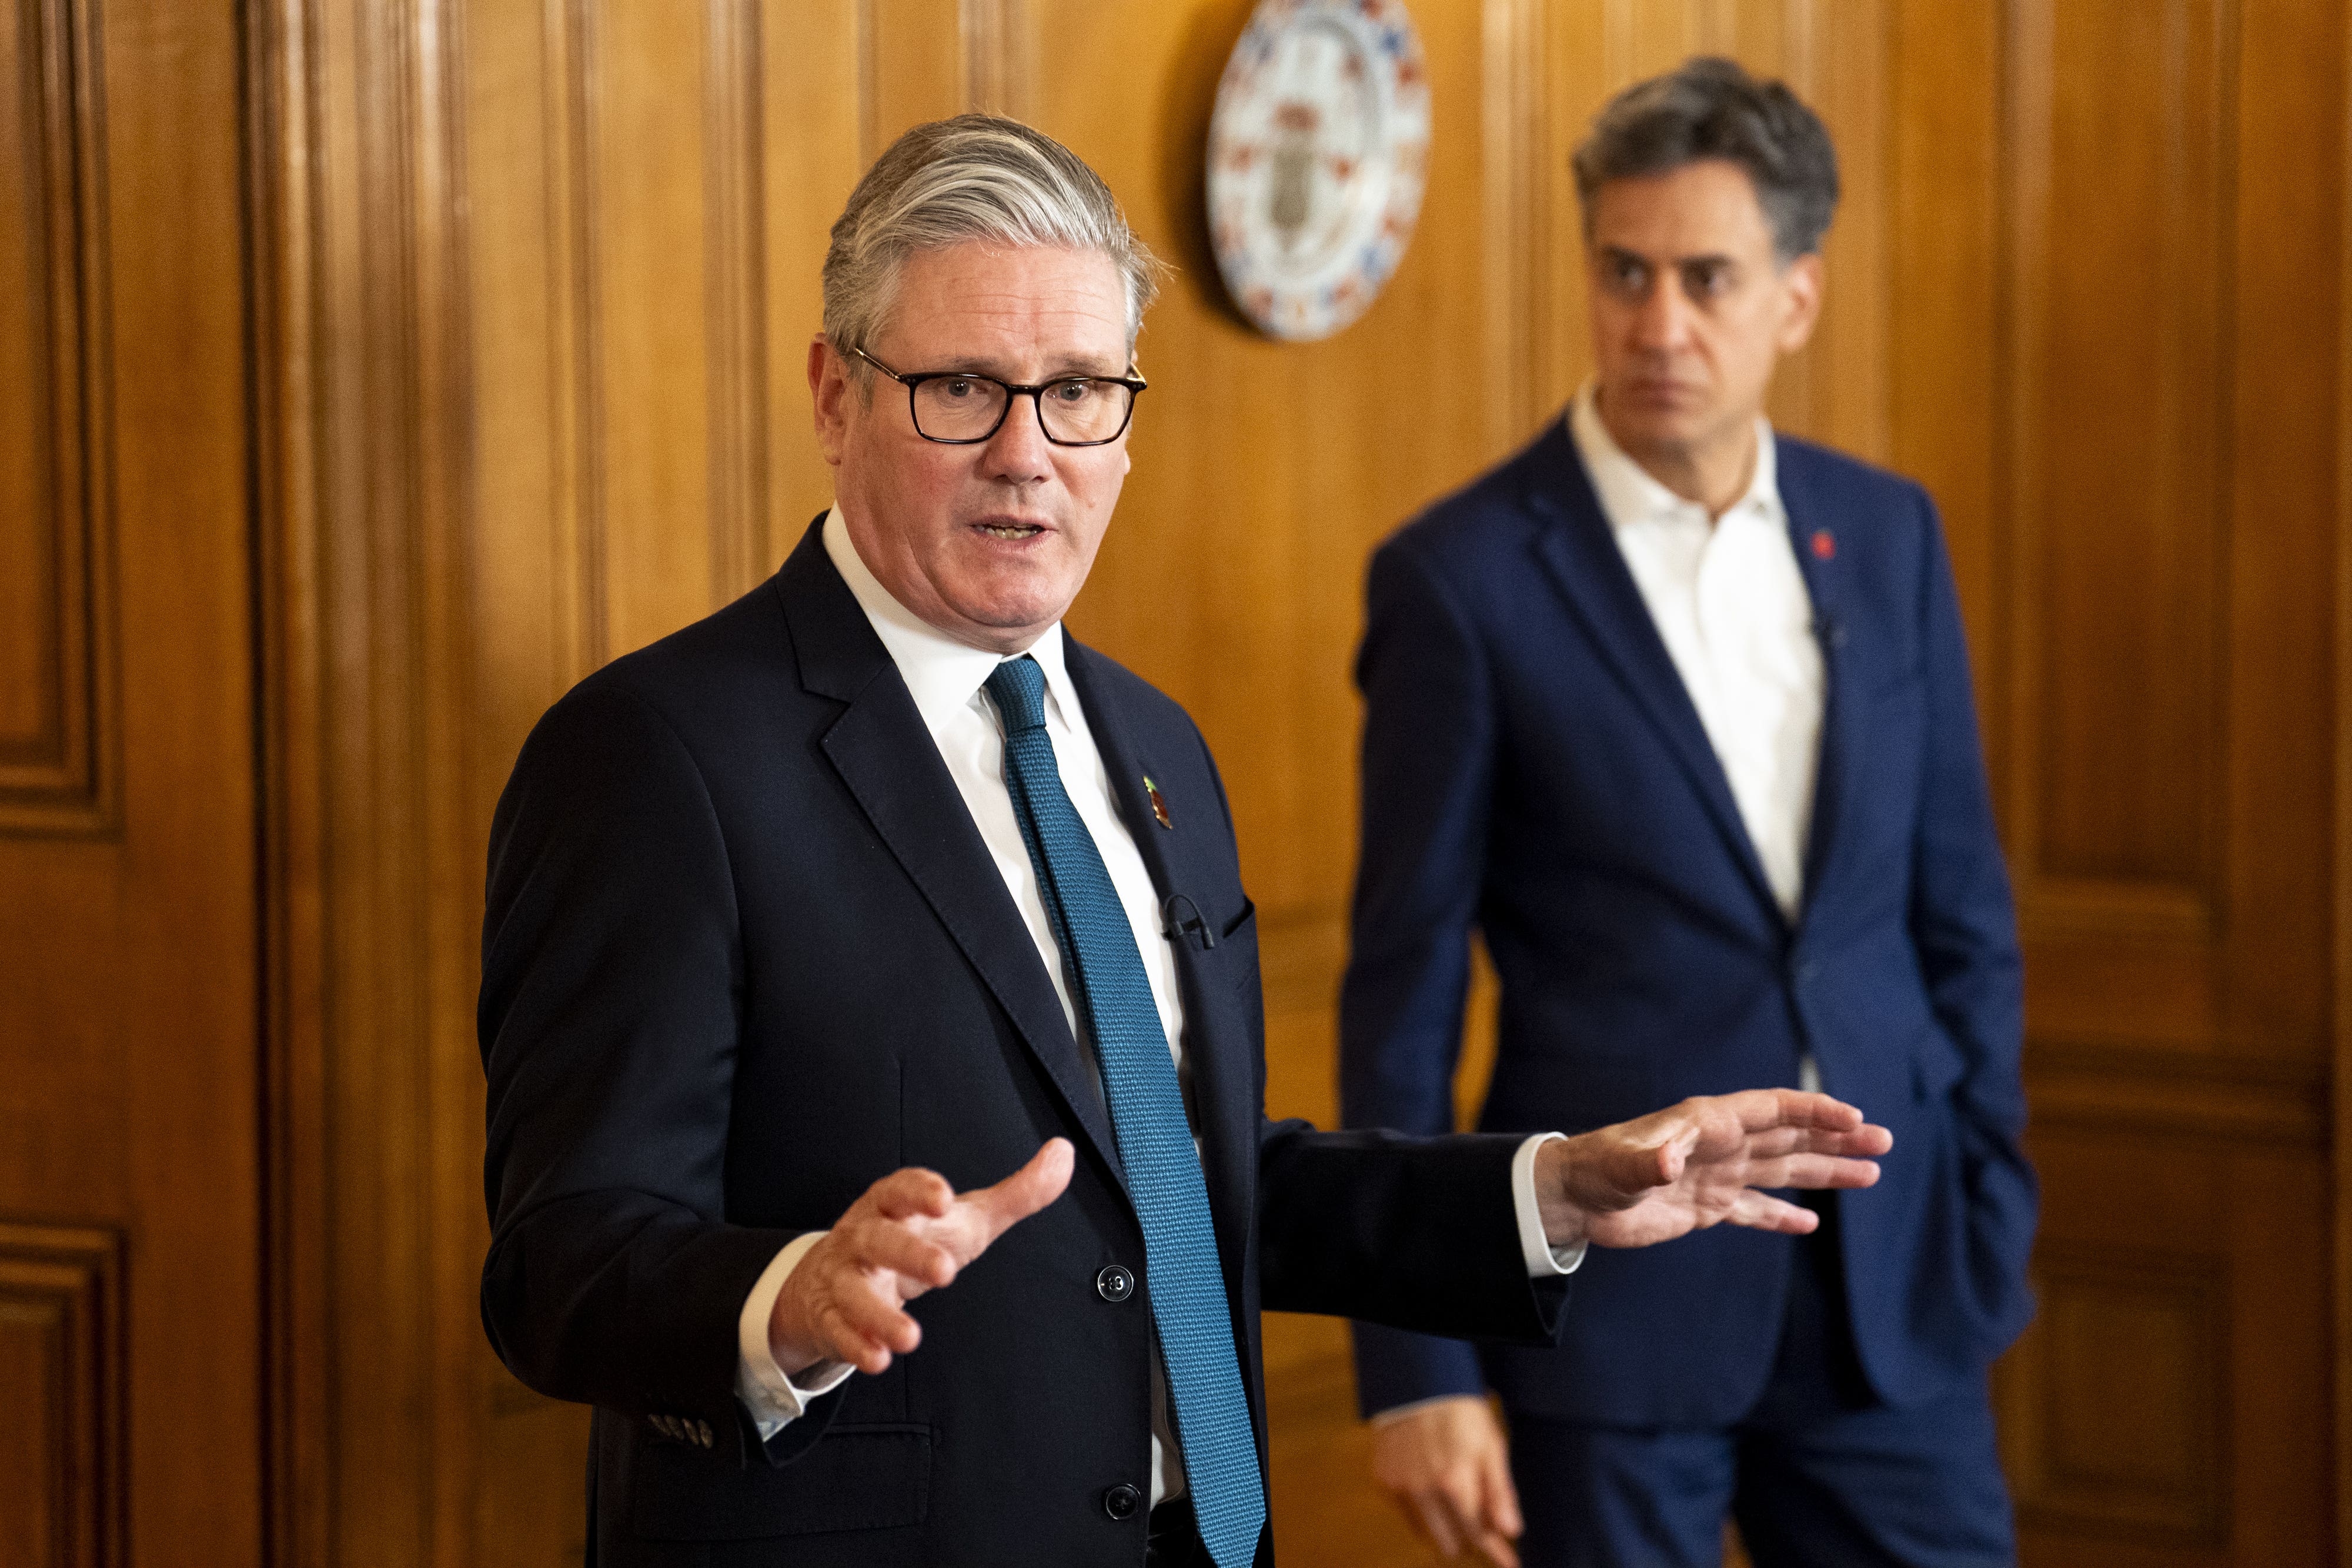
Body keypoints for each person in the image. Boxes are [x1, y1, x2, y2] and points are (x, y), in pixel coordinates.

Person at [477, 112, 1892, 1568]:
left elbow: (1190, 1181)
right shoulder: (656, 754)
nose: (1025, 455)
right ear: (836, 396)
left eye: (1077, 392)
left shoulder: (1153, 745)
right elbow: (556, 1260)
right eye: (960, 387)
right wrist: (788, 1295)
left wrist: (1547, 1189)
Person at [1341, 58, 2035, 1568]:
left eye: (1706, 279)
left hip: (1892, 1288)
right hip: (1610, 1315)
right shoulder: (1458, 579)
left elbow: (1958, 909)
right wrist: (1417, 1362)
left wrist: (1988, 1186)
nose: (1658, 324)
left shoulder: (1889, 535)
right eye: (1623, 272)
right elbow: (1401, 991)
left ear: (1796, 295)